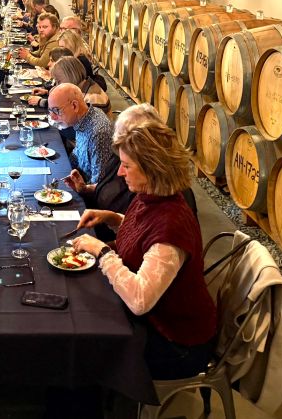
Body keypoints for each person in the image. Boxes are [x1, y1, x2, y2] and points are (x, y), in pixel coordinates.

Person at [70, 121, 217, 382]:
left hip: (176, 342)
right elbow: (143, 232)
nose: (120, 173)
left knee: (85, 346)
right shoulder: (155, 196)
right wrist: (112, 218)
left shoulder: (171, 228)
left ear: (152, 169)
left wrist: (103, 252)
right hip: (157, 320)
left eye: (127, 166)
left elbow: (139, 300)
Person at [63, 104, 162, 223]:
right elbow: (108, 187)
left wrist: (102, 242)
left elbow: (139, 229)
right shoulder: (120, 157)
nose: (120, 172)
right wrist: (85, 188)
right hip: (102, 218)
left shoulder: (149, 183)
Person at [47, 83, 112, 184]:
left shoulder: (98, 134)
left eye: (56, 110)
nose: (52, 117)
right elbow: (76, 156)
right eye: (51, 110)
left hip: (87, 194)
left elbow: (100, 185)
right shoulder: (84, 118)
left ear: (74, 106)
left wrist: (82, 189)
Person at [30, 56, 110, 115]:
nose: (57, 86)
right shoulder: (84, 85)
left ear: (71, 76)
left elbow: (74, 122)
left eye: (59, 81)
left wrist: (44, 103)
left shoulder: (91, 98)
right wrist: (48, 92)